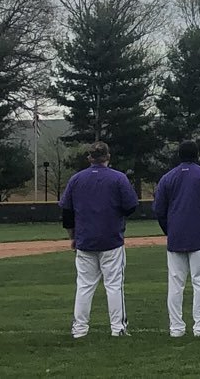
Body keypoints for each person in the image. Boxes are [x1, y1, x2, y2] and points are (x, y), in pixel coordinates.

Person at [60, 142, 140, 339]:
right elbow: (131, 206)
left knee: (85, 286)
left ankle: (79, 330)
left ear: (89, 158)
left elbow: (67, 212)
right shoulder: (118, 178)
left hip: (85, 239)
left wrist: (73, 236)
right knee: (114, 285)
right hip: (111, 239)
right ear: (108, 157)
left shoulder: (77, 179)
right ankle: (118, 328)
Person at [153, 141, 200, 338]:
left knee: (176, 284)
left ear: (179, 155)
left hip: (176, 236)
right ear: (197, 155)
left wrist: (168, 229)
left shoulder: (168, 177)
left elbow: (158, 209)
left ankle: (176, 329)